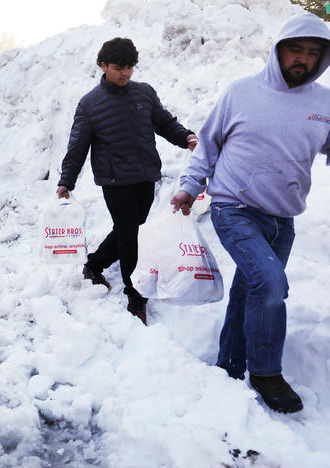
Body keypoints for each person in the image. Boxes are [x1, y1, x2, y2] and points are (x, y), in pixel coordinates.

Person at [171, 13, 330, 414]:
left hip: (283, 220)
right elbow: (208, 146)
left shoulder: (324, 103)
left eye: (314, 53)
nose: (304, 59)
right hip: (234, 209)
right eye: (296, 49)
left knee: (250, 290)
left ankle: (228, 365)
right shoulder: (240, 93)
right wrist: (190, 187)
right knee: (271, 283)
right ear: (278, 50)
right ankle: (265, 373)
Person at [57, 37, 198, 324]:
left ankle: (94, 265)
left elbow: (164, 123)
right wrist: (66, 180)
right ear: (103, 65)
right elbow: (77, 146)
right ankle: (136, 296)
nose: (126, 73)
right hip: (115, 181)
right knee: (130, 235)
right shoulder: (90, 104)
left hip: (145, 176)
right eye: (119, 68)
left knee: (130, 230)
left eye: (130, 67)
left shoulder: (144, 93)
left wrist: (186, 137)